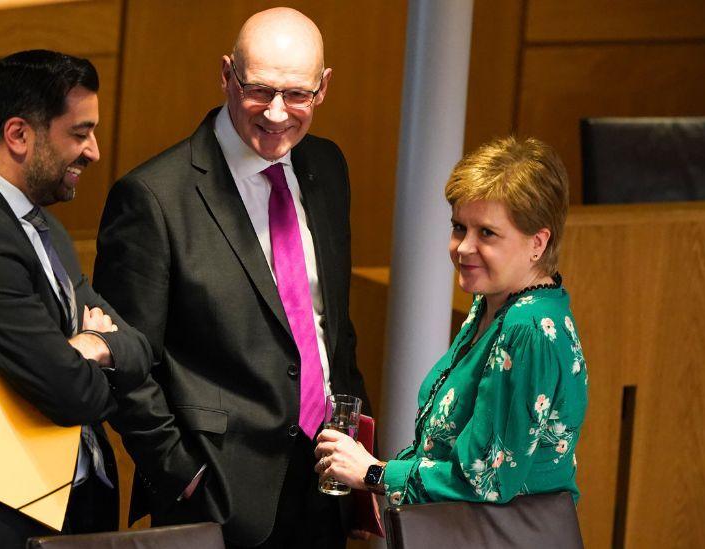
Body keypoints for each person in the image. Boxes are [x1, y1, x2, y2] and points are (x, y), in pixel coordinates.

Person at [93, 7, 370, 548]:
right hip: (216, 497)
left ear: (324, 87)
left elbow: (331, 325)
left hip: (324, 481)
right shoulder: (153, 197)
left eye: (297, 95)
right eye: (258, 90)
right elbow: (126, 363)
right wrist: (182, 476)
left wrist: (352, 439)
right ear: (226, 75)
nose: (275, 113)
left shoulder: (329, 167)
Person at [0, 49, 152, 549]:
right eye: (79, 133)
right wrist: (83, 354)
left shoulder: (41, 225)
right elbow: (72, 395)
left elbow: (139, 348)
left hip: (69, 516)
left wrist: (95, 348)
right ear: (18, 135)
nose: (94, 151)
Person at [316, 137, 588, 506]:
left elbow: (485, 480)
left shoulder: (529, 327)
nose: (463, 247)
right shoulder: (492, 303)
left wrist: (374, 473)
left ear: (538, 243)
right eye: (459, 227)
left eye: (486, 233)